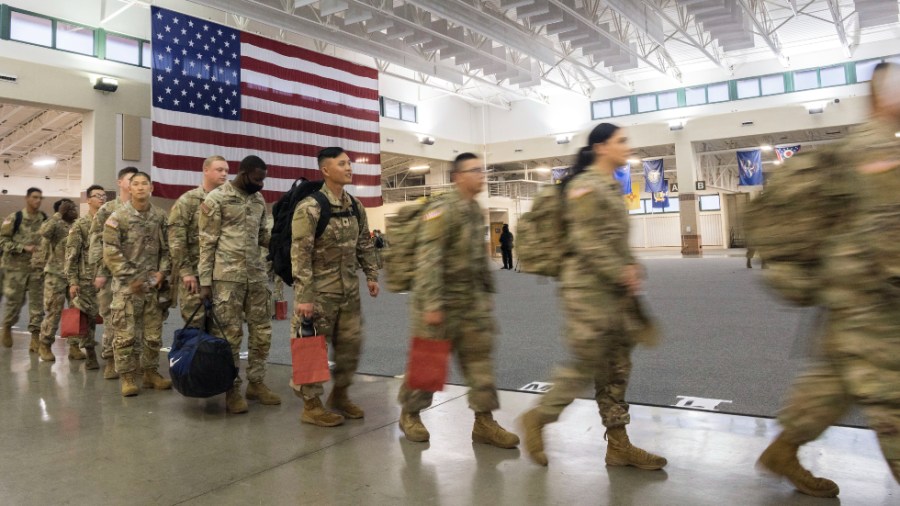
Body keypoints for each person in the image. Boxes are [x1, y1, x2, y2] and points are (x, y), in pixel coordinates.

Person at [756, 62, 900, 498]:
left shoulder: (868, 147)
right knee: (892, 398)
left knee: (833, 384)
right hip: (872, 304)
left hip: (849, 297)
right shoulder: (878, 149)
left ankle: (782, 450)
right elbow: (889, 241)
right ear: (886, 97)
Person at [520, 124, 666, 469]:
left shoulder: (609, 186)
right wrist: (621, 270)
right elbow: (586, 243)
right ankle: (538, 417)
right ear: (601, 147)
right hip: (587, 292)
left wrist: (629, 265)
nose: (627, 147)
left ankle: (618, 444)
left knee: (616, 366)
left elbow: (610, 239)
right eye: (621, 141)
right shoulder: (585, 186)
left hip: (612, 291)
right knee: (586, 362)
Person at [396, 152, 519, 448]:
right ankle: (410, 414)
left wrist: (487, 293)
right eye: (475, 170)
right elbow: (429, 259)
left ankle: (484, 423)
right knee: (429, 363)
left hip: (470, 302)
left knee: (480, 361)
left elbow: (479, 258)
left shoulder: (475, 209)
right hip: (439, 299)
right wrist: (433, 304)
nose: (482, 175)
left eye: (482, 170)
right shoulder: (442, 210)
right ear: (457, 177)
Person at [291, 147, 380, 427]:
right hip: (319, 294)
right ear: (325, 170)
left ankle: (339, 396)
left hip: (349, 293)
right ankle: (312, 405)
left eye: (350, 163)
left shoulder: (355, 205)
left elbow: (364, 242)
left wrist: (371, 274)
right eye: (342, 164)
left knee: (351, 347)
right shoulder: (310, 208)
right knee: (311, 349)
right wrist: (304, 296)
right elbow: (300, 254)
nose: (349, 168)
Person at [199, 155, 281, 413]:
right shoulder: (217, 199)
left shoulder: (257, 200)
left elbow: (262, 237)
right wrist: (204, 281)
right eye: (257, 179)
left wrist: (283, 240)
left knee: (262, 332)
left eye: (263, 179)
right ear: (243, 173)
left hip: (256, 276)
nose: (261, 184)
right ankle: (231, 388)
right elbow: (207, 242)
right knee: (230, 336)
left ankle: (256, 383)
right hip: (227, 279)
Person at [103, 172, 172, 396]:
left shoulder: (160, 216)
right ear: (129, 189)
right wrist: (130, 278)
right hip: (127, 288)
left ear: (151, 187)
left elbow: (167, 249)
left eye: (145, 184)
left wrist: (163, 271)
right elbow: (110, 252)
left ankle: (150, 372)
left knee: (153, 334)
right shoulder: (118, 217)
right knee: (125, 335)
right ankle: (127, 376)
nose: (140, 187)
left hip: (153, 285)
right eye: (136, 184)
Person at [168, 155, 229, 328]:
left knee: (222, 328)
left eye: (226, 171)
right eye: (219, 170)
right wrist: (186, 272)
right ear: (206, 171)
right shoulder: (188, 201)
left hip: (223, 275)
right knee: (196, 326)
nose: (224, 174)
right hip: (195, 274)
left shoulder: (229, 201)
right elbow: (176, 240)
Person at [89, 166, 138, 379]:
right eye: (130, 180)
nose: (134, 183)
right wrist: (100, 271)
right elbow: (96, 242)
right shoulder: (107, 209)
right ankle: (110, 358)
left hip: (134, 274)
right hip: (110, 274)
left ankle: (132, 359)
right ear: (120, 183)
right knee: (111, 317)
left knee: (135, 317)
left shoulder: (141, 209)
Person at [65, 185, 106, 370]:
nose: (101, 198)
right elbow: (71, 256)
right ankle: (90, 353)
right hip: (87, 280)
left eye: (104, 195)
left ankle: (112, 354)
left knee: (111, 316)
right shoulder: (80, 226)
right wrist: (72, 282)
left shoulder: (111, 222)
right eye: (97, 196)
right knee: (89, 318)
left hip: (107, 278)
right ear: (88, 200)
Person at [0, 187, 46, 350]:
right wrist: (22, 247)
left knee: (37, 305)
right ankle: (7, 325)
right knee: (15, 302)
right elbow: (3, 242)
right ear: (27, 198)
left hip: (37, 269)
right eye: (34, 197)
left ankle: (35, 338)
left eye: (40, 198)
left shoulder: (44, 219)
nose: (38, 200)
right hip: (15, 269)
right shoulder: (15, 218)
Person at [37, 198, 79, 362]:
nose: (74, 210)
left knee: (75, 312)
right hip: (56, 275)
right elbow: (43, 232)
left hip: (74, 276)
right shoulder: (55, 224)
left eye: (74, 207)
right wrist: (58, 214)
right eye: (69, 208)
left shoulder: (77, 225)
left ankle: (74, 346)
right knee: (54, 311)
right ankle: (45, 344)